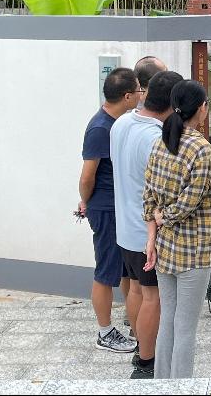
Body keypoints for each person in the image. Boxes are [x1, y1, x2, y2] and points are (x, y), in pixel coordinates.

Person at [111, 70, 184, 378]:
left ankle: (141, 345)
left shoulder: (121, 123)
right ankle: (146, 362)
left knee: (136, 290)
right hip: (147, 234)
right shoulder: (156, 138)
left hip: (125, 229)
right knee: (153, 297)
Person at [143, 80, 211, 379]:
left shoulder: (159, 143)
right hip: (193, 250)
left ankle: (162, 384)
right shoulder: (201, 149)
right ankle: (181, 387)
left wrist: (152, 236)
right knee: (185, 328)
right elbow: (190, 202)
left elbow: (148, 194)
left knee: (168, 322)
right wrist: (165, 217)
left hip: (164, 247)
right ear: (201, 108)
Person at [78, 67, 140, 353]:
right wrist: (86, 201)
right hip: (105, 209)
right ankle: (104, 332)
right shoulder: (100, 128)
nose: (141, 95)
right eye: (139, 90)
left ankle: (133, 321)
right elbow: (87, 177)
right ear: (127, 96)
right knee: (106, 270)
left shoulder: (120, 123)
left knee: (126, 270)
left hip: (119, 207)